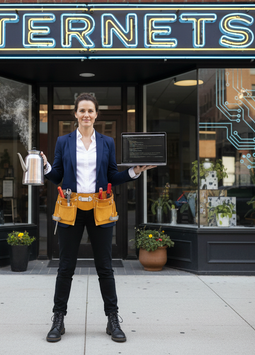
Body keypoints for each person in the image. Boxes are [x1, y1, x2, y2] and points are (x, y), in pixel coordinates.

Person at [40, 93, 155, 343]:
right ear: (75, 114)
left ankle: (112, 319)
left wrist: (135, 171)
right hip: (71, 207)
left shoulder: (107, 142)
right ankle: (58, 319)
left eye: (90, 111)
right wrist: (46, 166)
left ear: (96, 114)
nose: (86, 115)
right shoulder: (63, 141)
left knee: (105, 266)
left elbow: (113, 174)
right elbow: (57, 175)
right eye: (82, 110)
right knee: (65, 267)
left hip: (100, 207)